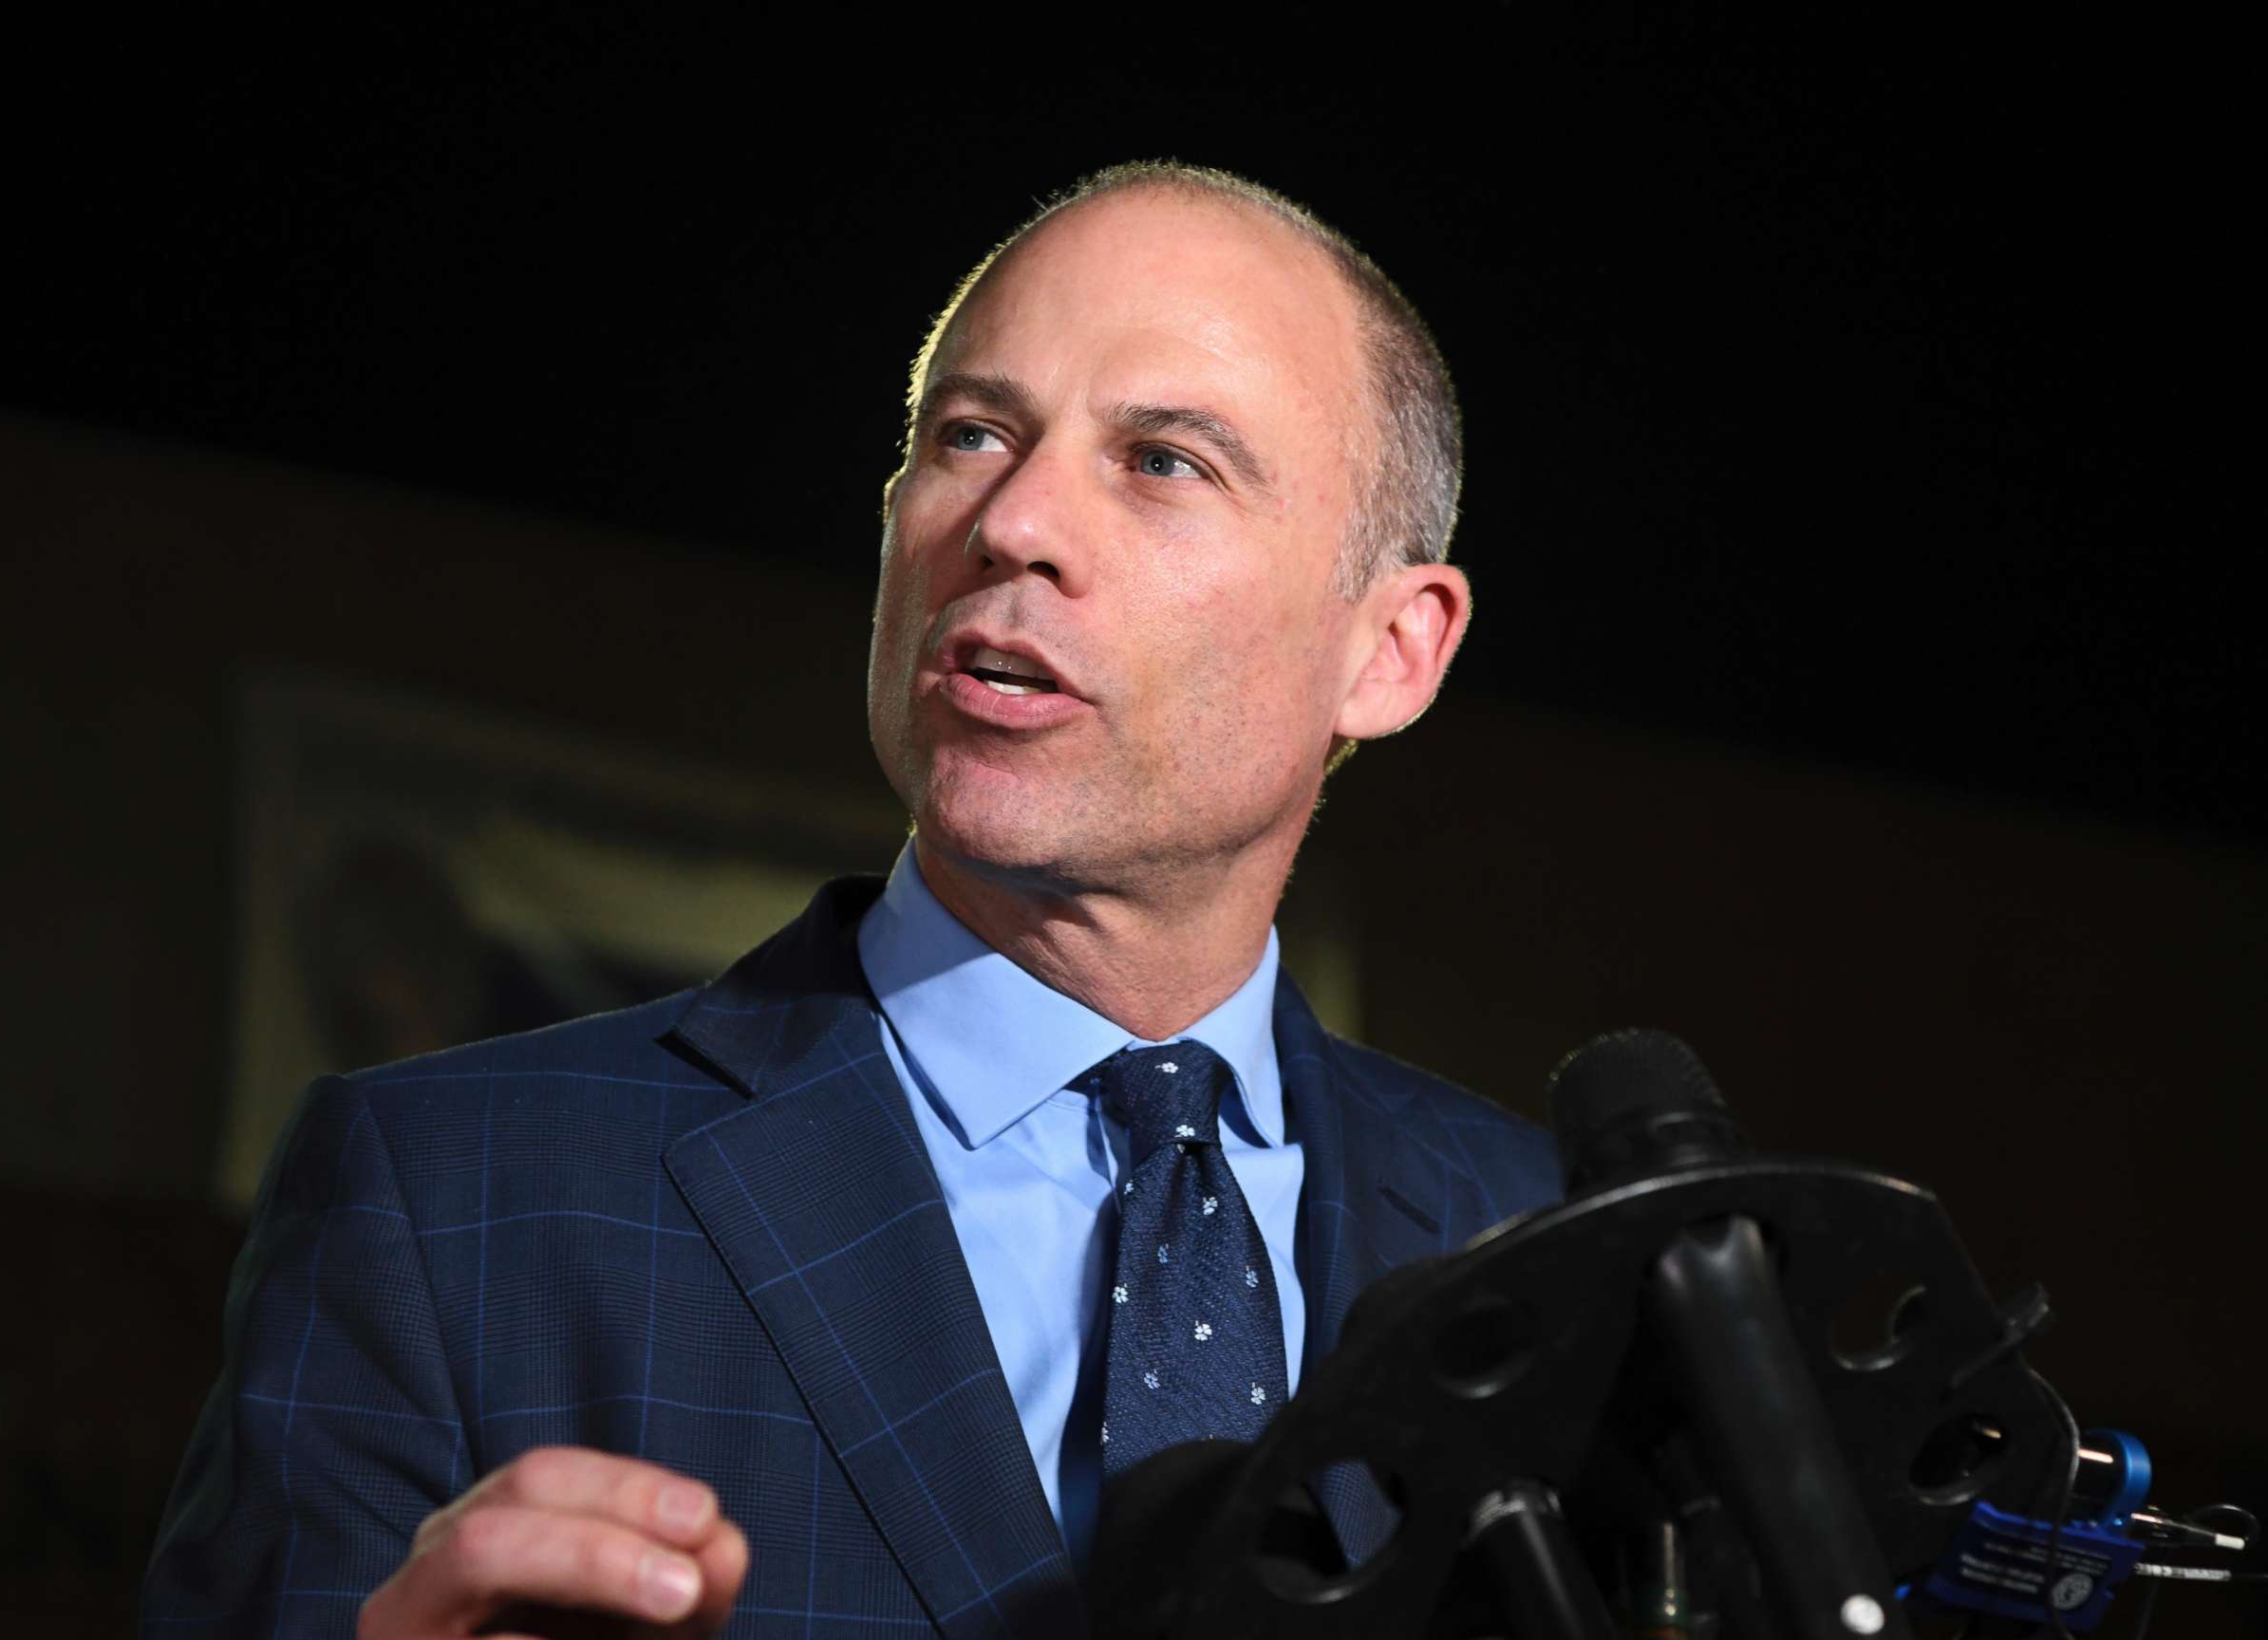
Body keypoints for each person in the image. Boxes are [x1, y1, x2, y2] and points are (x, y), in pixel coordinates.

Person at [141, 161, 1561, 1639]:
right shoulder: (447, 1202)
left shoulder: (1549, 1245)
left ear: (1393, 649)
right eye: (970, 434)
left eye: (1162, 461)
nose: (1012, 522)